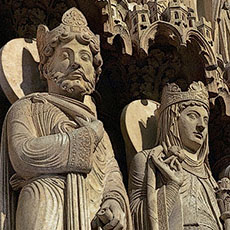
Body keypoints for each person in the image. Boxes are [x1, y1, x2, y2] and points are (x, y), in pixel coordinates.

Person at [0, 7, 132, 230]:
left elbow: (110, 174)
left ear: (94, 72)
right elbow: (24, 154)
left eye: (84, 57)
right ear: (46, 67)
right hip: (46, 201)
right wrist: (85, 137)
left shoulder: (98, 128)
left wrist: (114, 201)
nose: (76, 64)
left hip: (92, 210)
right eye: (65, 56)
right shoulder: (28, 108)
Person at [128, 81, 223, 229]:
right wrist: (172, 185)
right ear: (172, 119)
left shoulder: (210, 177)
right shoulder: (148, 160)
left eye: (205, 119)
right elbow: (135, 216)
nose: (202, 126)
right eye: (193, 116)